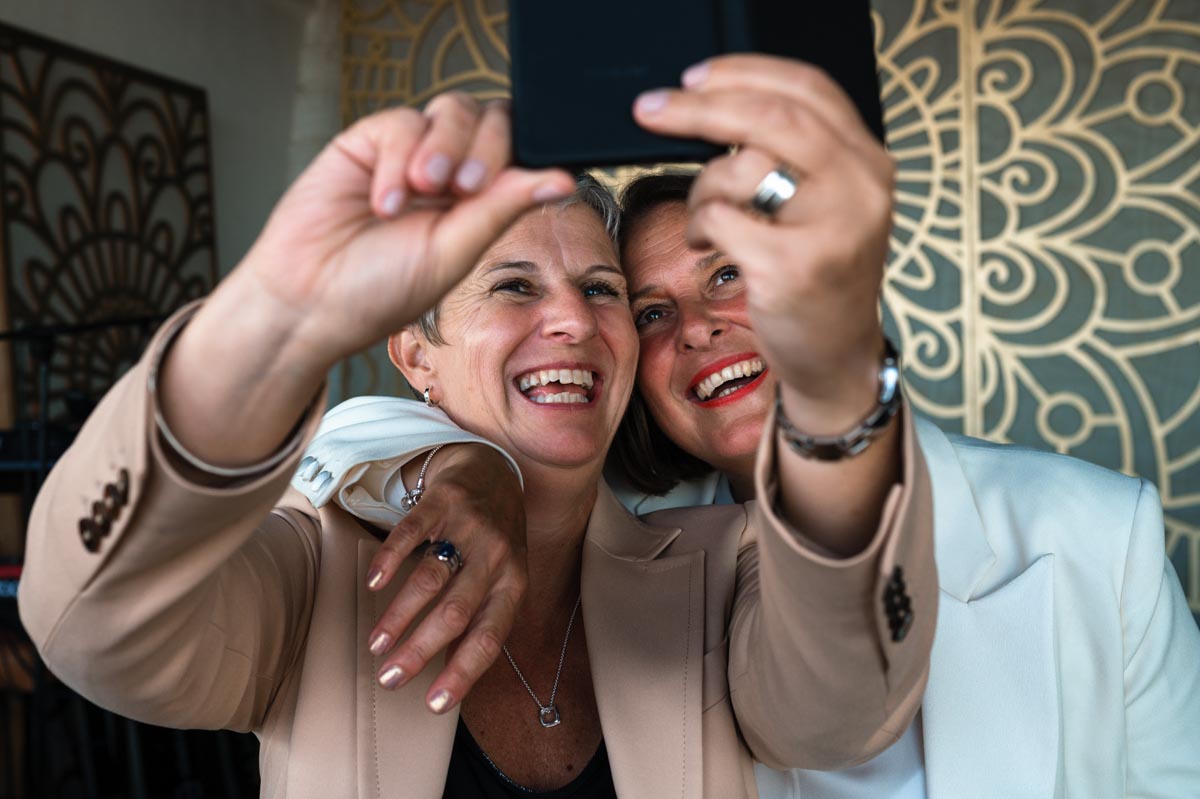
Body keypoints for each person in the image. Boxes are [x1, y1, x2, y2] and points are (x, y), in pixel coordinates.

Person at [18, 55, 936, 798]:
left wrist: (834, 375)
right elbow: (89, 625)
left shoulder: (719, 566)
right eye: (513, 286)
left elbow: (838, 714)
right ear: (416, 358)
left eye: (603, 290)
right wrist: (275, 317)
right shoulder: (318, 570)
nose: (573, 321)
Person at [361, 71, 1200, 798]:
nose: (697, 327)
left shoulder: (1098, 530)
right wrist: (467, 465)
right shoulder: (641, 557)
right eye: (652, 310)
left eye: (728, 273)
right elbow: (343, 439)